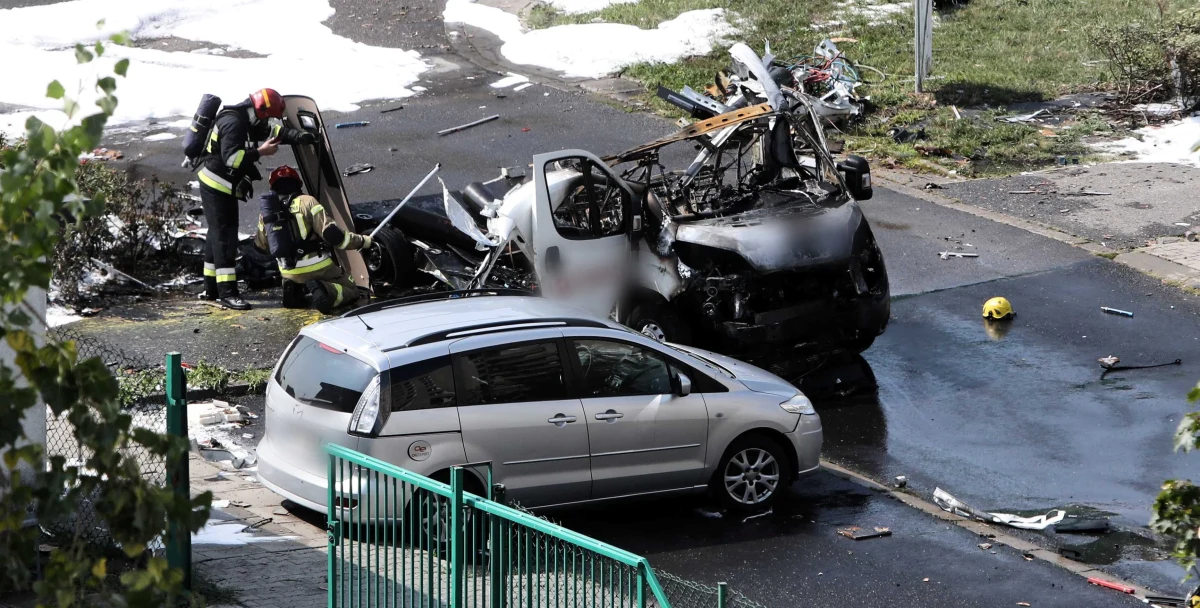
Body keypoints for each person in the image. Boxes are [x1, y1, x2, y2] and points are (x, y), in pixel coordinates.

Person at [197, 88, 315, 310]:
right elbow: (232, 159)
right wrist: (261, 152)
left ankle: (211, 289)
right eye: (269, 115)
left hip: (222, 184)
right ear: (260, 110)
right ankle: (227, 293)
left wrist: (299, 137)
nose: (269, 120)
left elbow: (274, 129)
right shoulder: (234, 123)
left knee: (216, 234)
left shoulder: (248, 116)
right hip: (216, 184)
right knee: (225, 238)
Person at [253, 165, 373, 314]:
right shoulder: (307, 201)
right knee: (352, 289)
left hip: (287, 270)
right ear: (299, 183)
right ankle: (325, 290)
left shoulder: (268, 210)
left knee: (297, 279)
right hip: (317, 267)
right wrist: (362, 241)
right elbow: (334, 236)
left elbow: (261, 246)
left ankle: (294, 289)